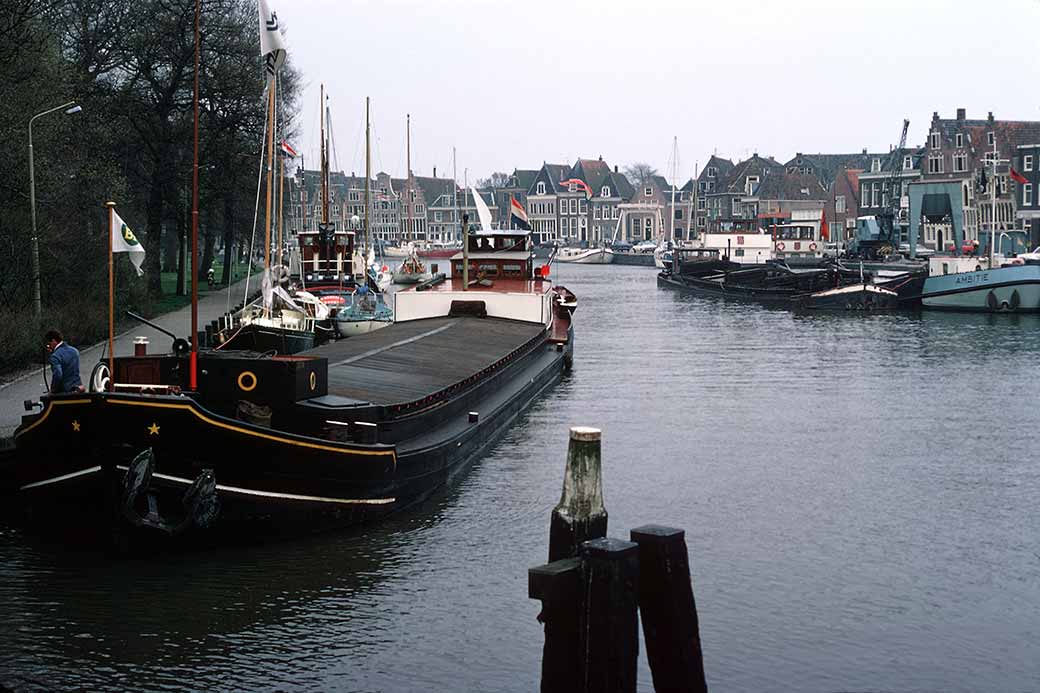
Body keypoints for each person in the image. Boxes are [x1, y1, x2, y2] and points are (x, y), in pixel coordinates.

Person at [45, 329, 83, 394]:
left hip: (64, 390)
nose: (48, 346)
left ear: (54, 341)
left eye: (49, 343)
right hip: (78, 387)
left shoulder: (55, 356)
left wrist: (53, 390)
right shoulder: (74, 351)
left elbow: (58, 374)